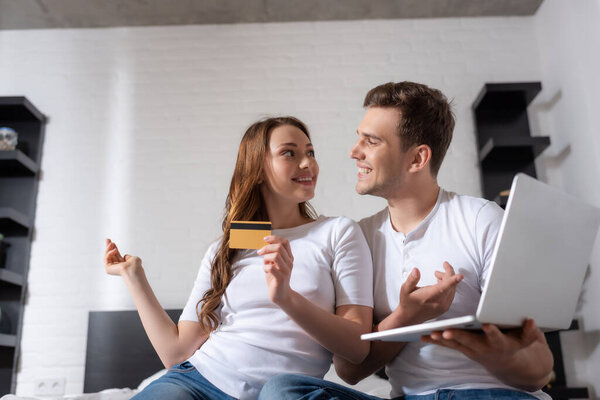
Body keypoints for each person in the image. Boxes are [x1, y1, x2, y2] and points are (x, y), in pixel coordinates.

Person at [259, 82, 554, 400]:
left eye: (370, 142)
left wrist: (489, 352)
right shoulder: (360, 239)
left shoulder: (481, 219)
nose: (354, 152)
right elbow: (350, 370)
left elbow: (538, 374)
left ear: (417, 159)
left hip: (486, 393)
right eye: (359, 138)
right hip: (409, 396)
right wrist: (408, 317)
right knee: (282, 390)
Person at [103, 116, 375, 400]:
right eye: (289, 153)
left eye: (310, 152)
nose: (307, 163)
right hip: (196, 381)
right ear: (257, 168)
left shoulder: (336, 232)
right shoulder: (230, 246)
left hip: (279, 394)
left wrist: (286, 297)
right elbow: (177, 352)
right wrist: (133, 276)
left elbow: (357, 347)